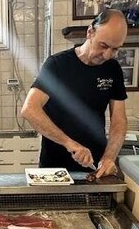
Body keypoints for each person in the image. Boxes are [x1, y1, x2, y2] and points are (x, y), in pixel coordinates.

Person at [20, 9, 128, 177]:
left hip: (95, 169)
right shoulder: (57, 65)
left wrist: (109, 157)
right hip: (55, 168)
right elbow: (30, 109)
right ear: (90, 32)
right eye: (103, 46)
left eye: (115, 49)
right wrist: (70, 144)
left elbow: (119, 121)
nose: (107, 55)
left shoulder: (113, 69)